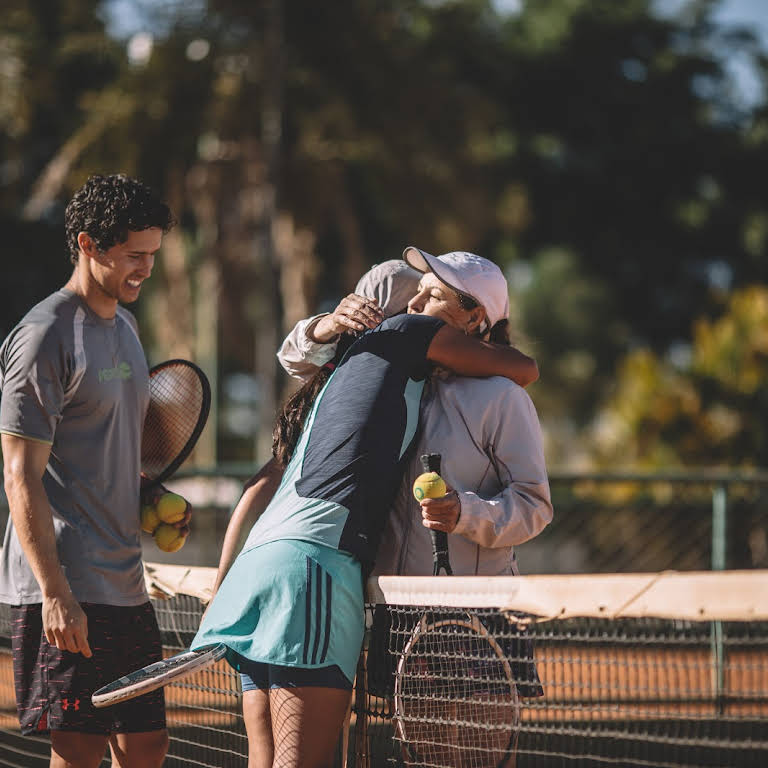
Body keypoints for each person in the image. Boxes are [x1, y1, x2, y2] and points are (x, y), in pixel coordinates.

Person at [191, 308, 539, 768]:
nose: (418, 306)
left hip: (265, 571)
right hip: (315, 573)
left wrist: (224, 585)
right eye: (412, 298)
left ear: (473, 316)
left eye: (431, 294)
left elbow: (260, 485)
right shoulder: (397, 348)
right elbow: (527, 367)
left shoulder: (347, 387)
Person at [0, 174, 185, 768]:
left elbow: (104, 451)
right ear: (88, 244)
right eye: (134, 255)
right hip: (67, 587)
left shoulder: (126, 328)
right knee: (78, 752)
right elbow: (19, 474)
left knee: (147, 746)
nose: (146, 270)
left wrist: (147, 497)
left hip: (126, 584)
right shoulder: (44, 335)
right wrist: (56, 595)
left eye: (153, 254)